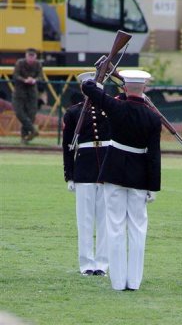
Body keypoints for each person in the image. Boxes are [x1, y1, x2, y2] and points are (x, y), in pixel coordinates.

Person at [81, 69, 162, 291]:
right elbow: (154, 155)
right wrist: (153, 186)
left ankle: (118, 282)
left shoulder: (116, 106)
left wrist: (98, 81)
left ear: (125, 88)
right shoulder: (153, 117)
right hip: (140, 175)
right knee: (137, 229)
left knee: (115, 226)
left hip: (114, 170)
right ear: (144, 88)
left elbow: (87, 88)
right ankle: (133, 282)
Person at [62, 72, 110, 277]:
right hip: (84, 168)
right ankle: (86, 264)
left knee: (105, 220)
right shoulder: (74, 113)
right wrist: (69, 174)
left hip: (107, 167)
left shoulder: (111, 109)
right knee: (85, 219)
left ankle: (102, 263)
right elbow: (68, 147)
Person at [12, 48, 43, 143]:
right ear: (26, 56)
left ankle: (24, 137)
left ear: (35, 57)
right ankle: (32, 130)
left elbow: (40, 76)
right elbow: (15, 75)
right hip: (19, 92)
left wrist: (34, 80)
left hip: (32, 92)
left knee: (31, 114)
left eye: (32, 56)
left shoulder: (38, 64)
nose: (30, 59)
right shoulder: (20, 63)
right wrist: (24, 80)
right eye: (29, 56)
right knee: (19, 112)